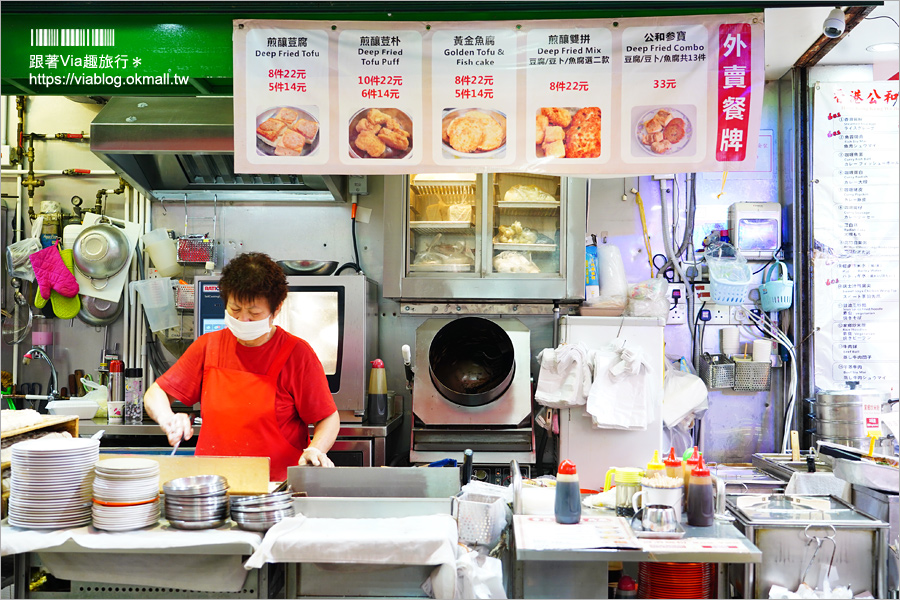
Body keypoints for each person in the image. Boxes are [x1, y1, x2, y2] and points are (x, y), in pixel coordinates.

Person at [144, 252, 340, 480]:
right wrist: (168, 419)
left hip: (276, 490)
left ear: (276, 310)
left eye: (254, 313)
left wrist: (316, 449)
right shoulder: (209, 346)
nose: (243, 320)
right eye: (235, 310)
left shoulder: (297, 354)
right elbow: (156, 393)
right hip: (213, 489)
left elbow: (328, 417)